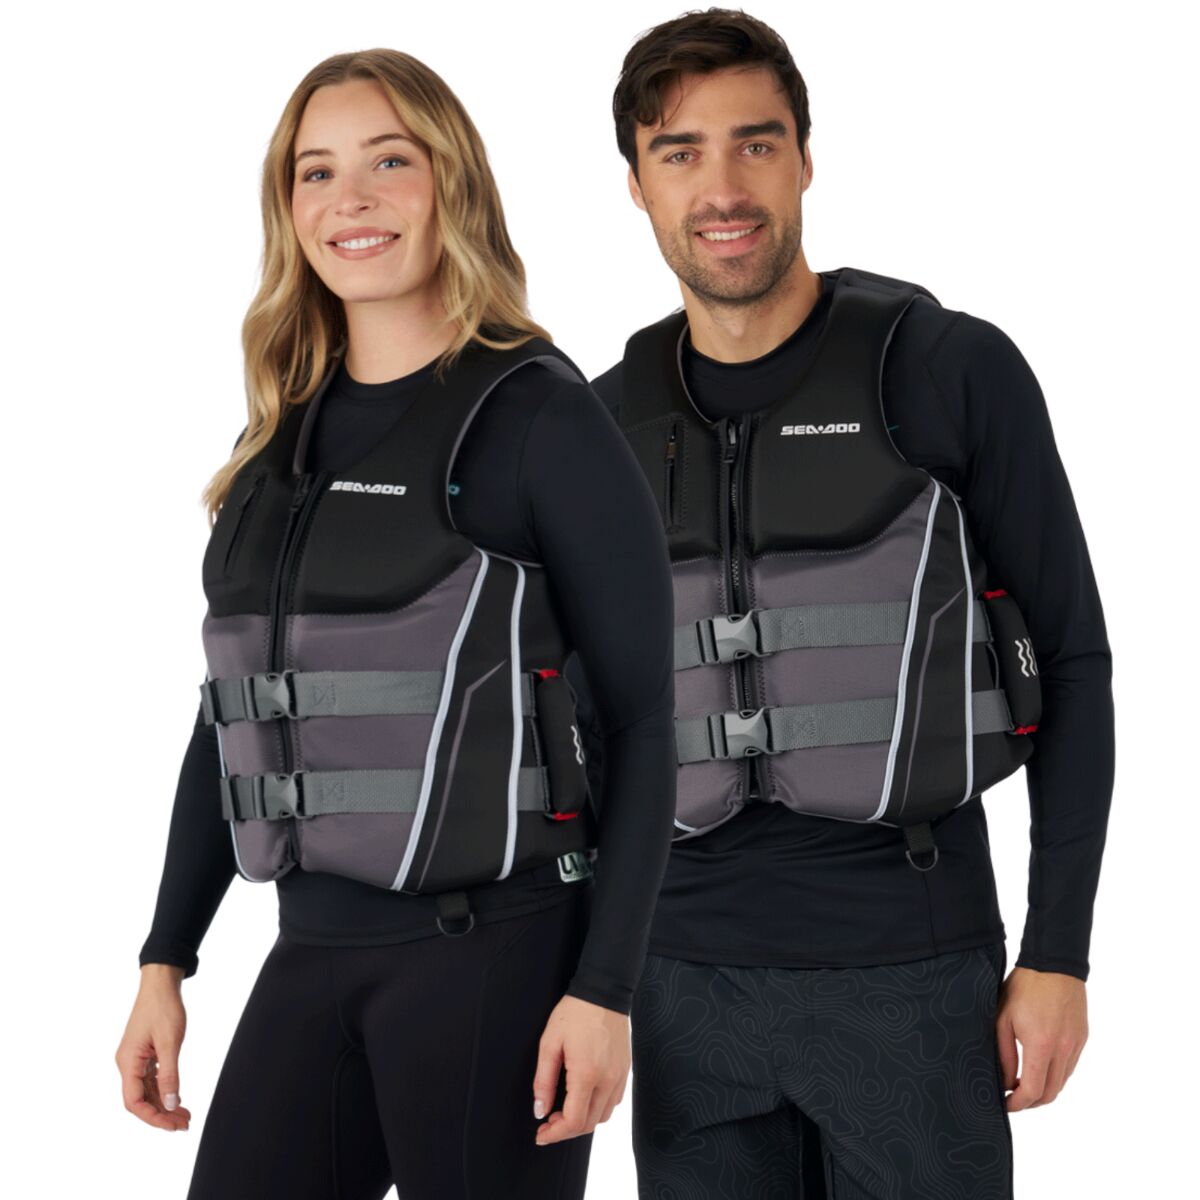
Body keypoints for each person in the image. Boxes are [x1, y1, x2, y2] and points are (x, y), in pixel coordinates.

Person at [568, 10, 1114, 1198]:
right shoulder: (602, 422)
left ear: (806, 159)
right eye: (680, 152)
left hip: (912, 967)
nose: (723, 188)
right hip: (685, 989)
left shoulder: (949, 370)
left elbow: (1072, 659)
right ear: (637, 186)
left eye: (756, 144)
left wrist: (1059, 952)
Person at [114, 48, 676, 1200]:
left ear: (451, 182)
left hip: (498, 956)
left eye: (389, 162)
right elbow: (234, 719)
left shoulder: (540, 419)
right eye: (316, 172)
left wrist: (606, 991)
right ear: (288, 208)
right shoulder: (278, 443)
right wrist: (166, 956)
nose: (350, 200)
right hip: (313, 949)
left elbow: (649, 724)